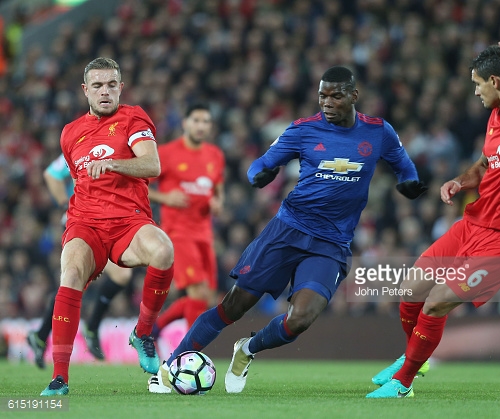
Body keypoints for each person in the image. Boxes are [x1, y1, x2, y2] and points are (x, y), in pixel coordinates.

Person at [148, 65, 427, 394]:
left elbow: (405, 167)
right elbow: (262, 163)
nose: (326, 102)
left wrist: (410, 183)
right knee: (233, 306)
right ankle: (170, 368)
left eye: (335, 96)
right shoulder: (303, 130)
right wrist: (259, 175)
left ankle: (247, 350)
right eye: (322, 95)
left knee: (300, 319)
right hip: (287, 229)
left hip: (332, 242)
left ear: (354, 96)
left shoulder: (379, 132)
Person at [367, 37, 500, 399]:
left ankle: (403, 384)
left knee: (437, 302)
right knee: (411, 291)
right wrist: (460, 181)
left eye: (477, 84)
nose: (475, 92)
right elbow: (487, 163)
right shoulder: (496, 118)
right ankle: (413, 358)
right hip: (473, 225)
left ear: (494, 82)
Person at [40, 57, 175, 396]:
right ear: (85, 91)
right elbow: (75, 179)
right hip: (85, 223)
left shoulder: (133, 117)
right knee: (69, 276)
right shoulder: (70, 133)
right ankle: (59, 378)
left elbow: (152, 165)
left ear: (120, 88)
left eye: (111, 84)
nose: (105, 91)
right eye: (97, 85)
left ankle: (142, 333)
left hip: (129, 220)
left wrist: (113, 163)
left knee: (163, 250)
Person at [27, 154, 133, 368]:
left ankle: (42, 334)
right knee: (80, 282)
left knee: (83, 282)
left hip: (105, 223)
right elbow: (52, 174)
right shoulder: (79, 145)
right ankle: (88, 328)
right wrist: (67, 206)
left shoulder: (117, 143)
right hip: (81, 222)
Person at [148, 103, 224, 337]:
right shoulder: (167, 153)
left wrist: (218, 202)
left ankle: (153, 330)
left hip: (204, 233)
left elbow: (218, 188)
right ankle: (190, 354)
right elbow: (139, 186)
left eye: (206, 122)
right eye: (197, 120)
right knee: (197, 293)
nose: (201, 126)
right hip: (178, 232)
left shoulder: (215, 155)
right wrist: (165, 197)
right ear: (185, 123)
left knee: (206, 298)